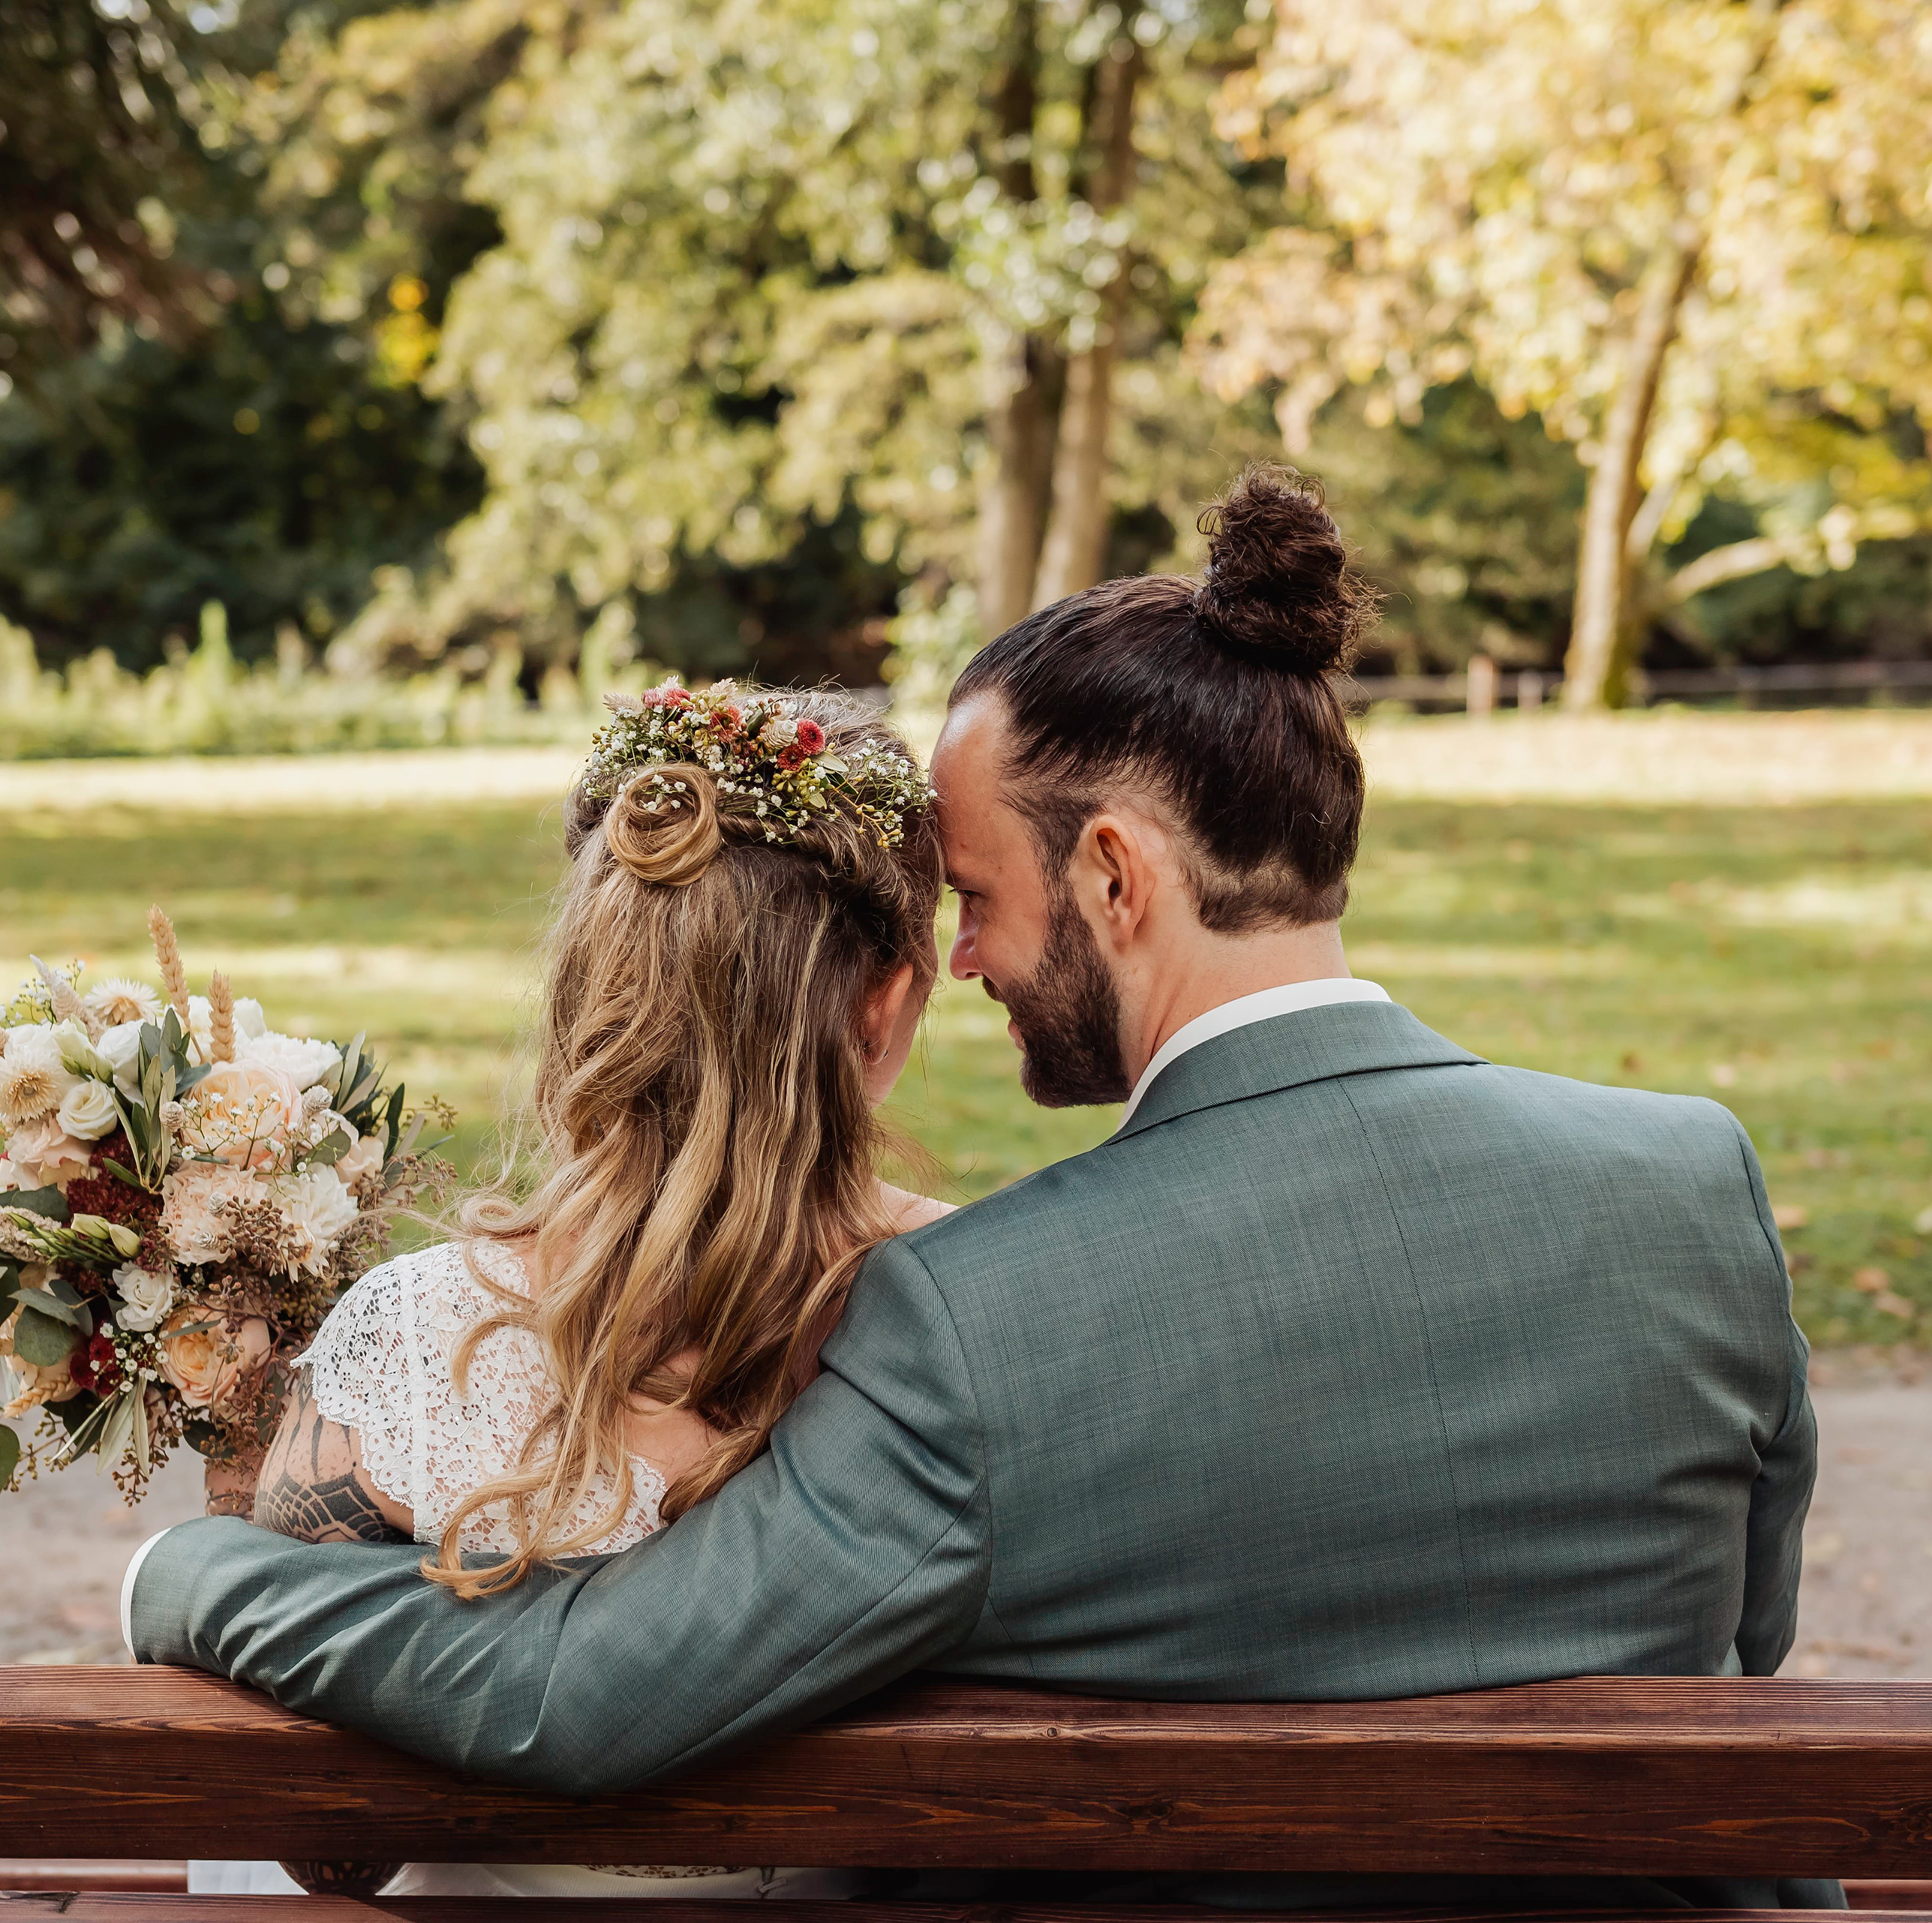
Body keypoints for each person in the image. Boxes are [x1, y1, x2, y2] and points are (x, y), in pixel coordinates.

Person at [128, 465, 1836, 1910]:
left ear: (1112, 874)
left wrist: (180, 1579)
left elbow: (581, 1695)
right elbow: (1746, 1644)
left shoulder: (981, 1323)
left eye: (976, 895)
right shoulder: (1692, 1181)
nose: (961, 966)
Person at [181, 684, 947, 1899]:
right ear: (886, 998)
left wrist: (210, 1540)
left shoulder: (421, 1330)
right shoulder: (977, 1310)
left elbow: (319, 1843)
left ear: (588, 984)